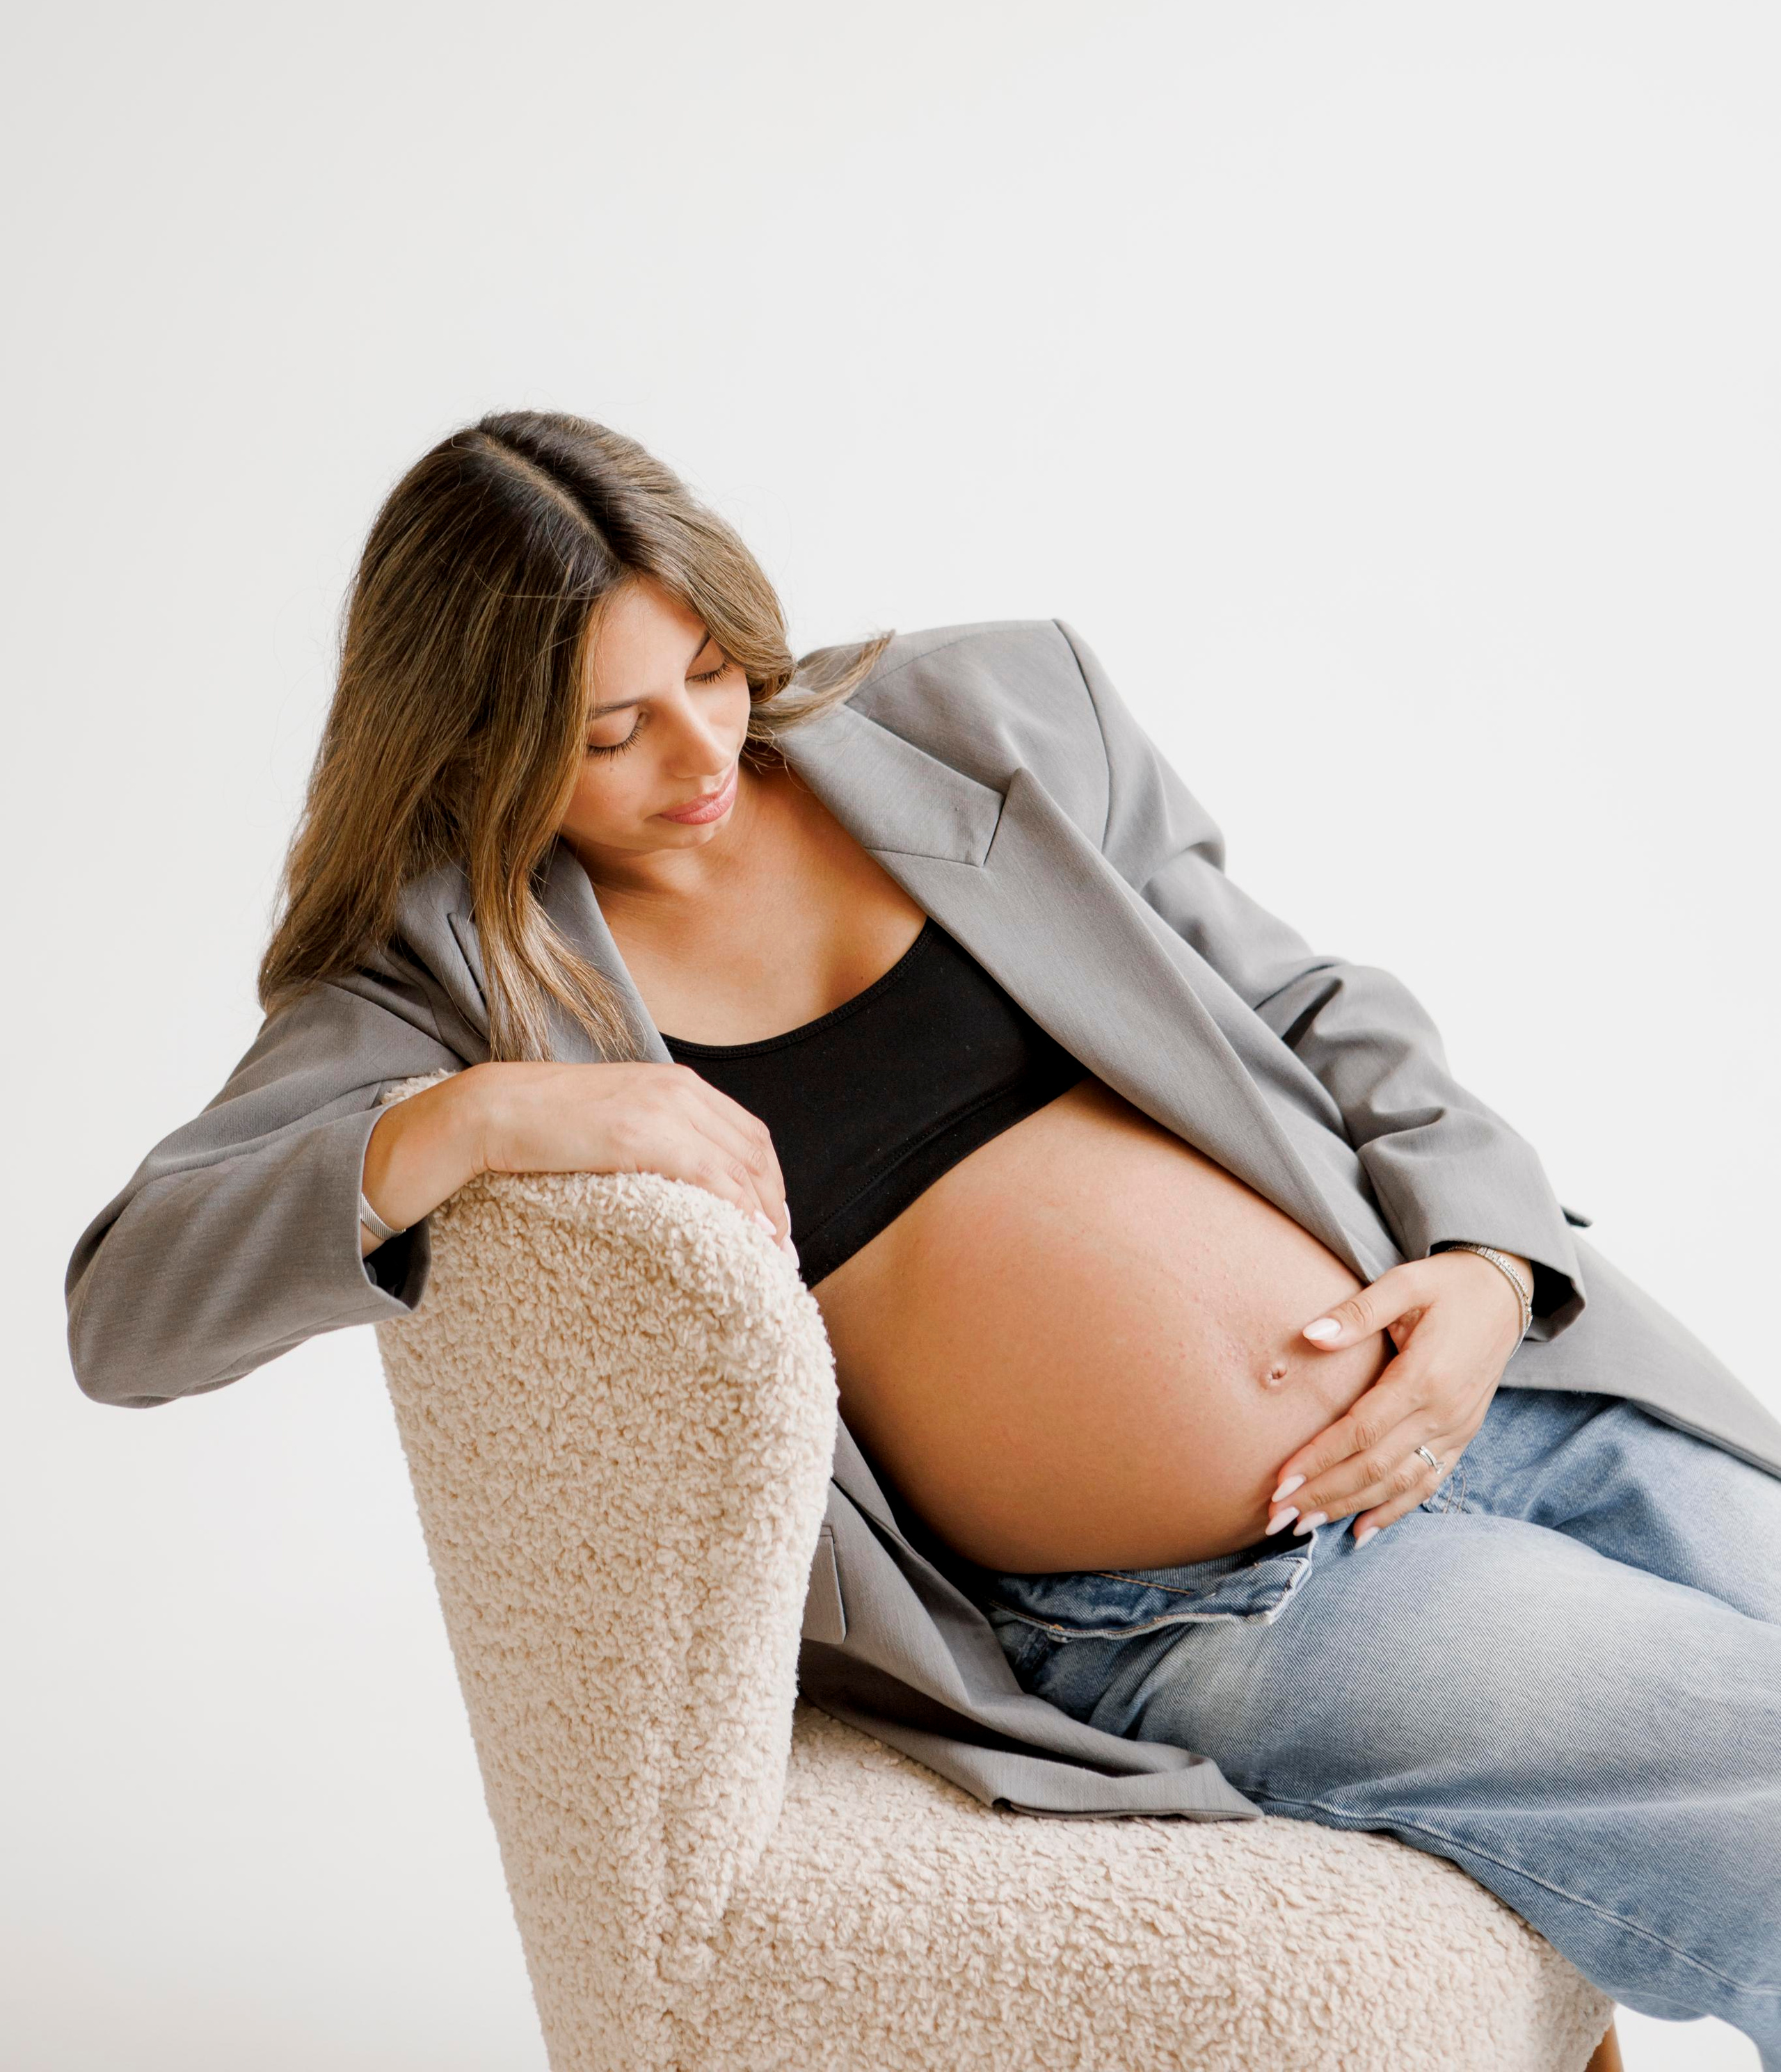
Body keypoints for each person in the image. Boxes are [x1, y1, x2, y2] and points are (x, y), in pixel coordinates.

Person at [67, 411, 1781, 2063]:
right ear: (463, 743)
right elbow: (126, 1307)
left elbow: (1315, 1004)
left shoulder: (988, 708)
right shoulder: (446, 977)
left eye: (713, 675)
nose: (698, 759)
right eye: (605, 735)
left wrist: (1483, 1271)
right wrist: (480, 1114)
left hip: (1507, 1389)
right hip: (1223, 1595)